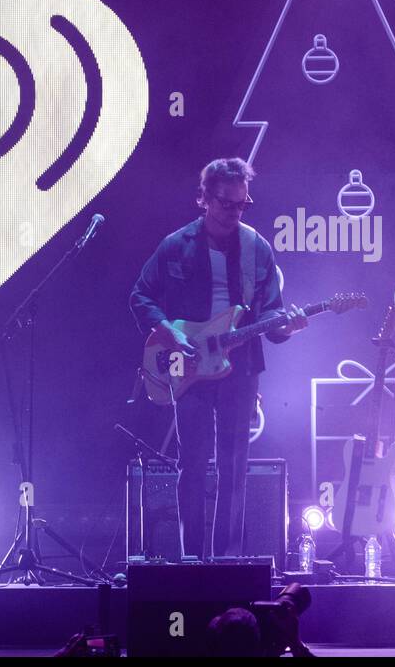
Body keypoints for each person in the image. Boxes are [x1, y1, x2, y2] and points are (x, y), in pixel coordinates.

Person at [130, 157, 307, 558]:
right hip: (188, 363)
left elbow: (270, 313)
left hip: (240, 367)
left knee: (234, 466)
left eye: (241, 204)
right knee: (191, 463)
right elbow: (140, 295)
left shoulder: (256, 248)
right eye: (226, 203)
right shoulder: (176, 245)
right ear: (203, 199)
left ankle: (228, 559)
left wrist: (285, 326)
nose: (233, 212)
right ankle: (191, 558)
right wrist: (170, 332)